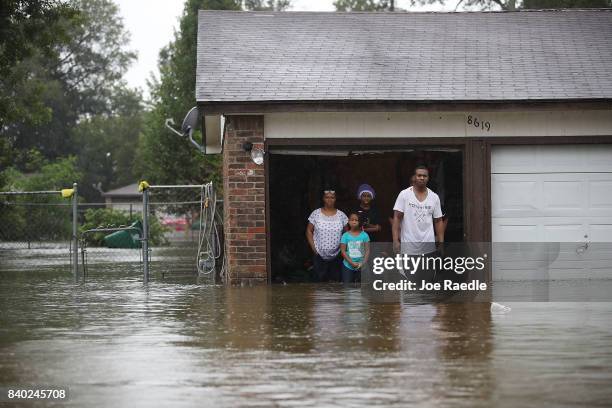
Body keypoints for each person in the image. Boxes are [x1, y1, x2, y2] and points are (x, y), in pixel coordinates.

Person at [392, 165, 444, 256]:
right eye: (419, 175)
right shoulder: (404, 194)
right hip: (408, 247)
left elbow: (438, 221)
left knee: (428, 270)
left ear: (428, 178)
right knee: (409, 270)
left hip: (428, 248)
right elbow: (396, 217)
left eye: (424, 176)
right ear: (414, 177)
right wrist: (395, 240)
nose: (422, 178)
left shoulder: (434, 197)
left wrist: (441, 242)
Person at [306, 189, 348, 282]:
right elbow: (309, 231)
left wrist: (342, 250)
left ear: (335, 199)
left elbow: (346, 234)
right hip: (319, 256)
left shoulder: (342, 215)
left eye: (332, 197)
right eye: (327, 197)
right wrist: (314, 249)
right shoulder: (316, 213)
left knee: (335, 285)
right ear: (323, 199)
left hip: (337, 256)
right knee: (319, 285)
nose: (329, 200)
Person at [340, 212, 370, 284]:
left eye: (356, 220)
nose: (353, 222)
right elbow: (343, 251)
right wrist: (351, 263)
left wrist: (363, 263)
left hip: (362, 265)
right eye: (351, 220)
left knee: (363, 287)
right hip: (348, 265)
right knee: (347, 287)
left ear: (360, 222)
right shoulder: (345, 235)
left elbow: (367, 250)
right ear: (348, 221)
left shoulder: (365, 235)